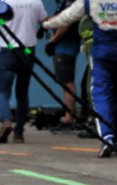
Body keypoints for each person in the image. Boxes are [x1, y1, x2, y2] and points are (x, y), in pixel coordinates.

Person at [44, 0, 117, 156]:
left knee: (100, 93)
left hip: (101, 54)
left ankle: (107, 136)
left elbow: (68, 16)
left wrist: (46, 24)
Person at [0, 0, 45, 142]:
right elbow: (45, 22)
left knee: (3, 91)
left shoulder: (2, 2)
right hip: (28, 51)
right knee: (22, 93)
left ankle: (5, 120)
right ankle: (19, 133)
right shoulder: (36, 2)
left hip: (8, 51)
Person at [44, 0, 81, 133]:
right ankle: (71, 114)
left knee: (67, 84)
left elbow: (66, 24)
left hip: (65, 48)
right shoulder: (64, 3)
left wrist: (53, 41)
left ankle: (68, 118)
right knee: (65, 83)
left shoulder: (70, 3)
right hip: (64, 47)